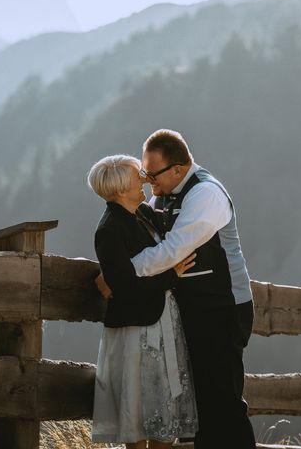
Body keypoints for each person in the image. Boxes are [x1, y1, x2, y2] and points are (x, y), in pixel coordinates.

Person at [99, 129, 256, 448]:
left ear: (178, 169)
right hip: (194, 311)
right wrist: (112, 269)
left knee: (223, 402)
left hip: (222, 308)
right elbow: (140, 238)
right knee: (200, 407)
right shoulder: (163, 195)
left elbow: (172, 250)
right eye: (144, 174)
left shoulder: (205, 195)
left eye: (151, 174)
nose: (147, 181)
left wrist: (122, 272)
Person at [87, 154, 199, 449]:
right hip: (135, 331)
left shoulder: (142, 214)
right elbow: (124, 287)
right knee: (137, 415)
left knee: (163, 414)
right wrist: (171, 276)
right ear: (122, 189)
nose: (145, 180)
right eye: (140, 176)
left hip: (158, 322)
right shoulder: (109, 228)